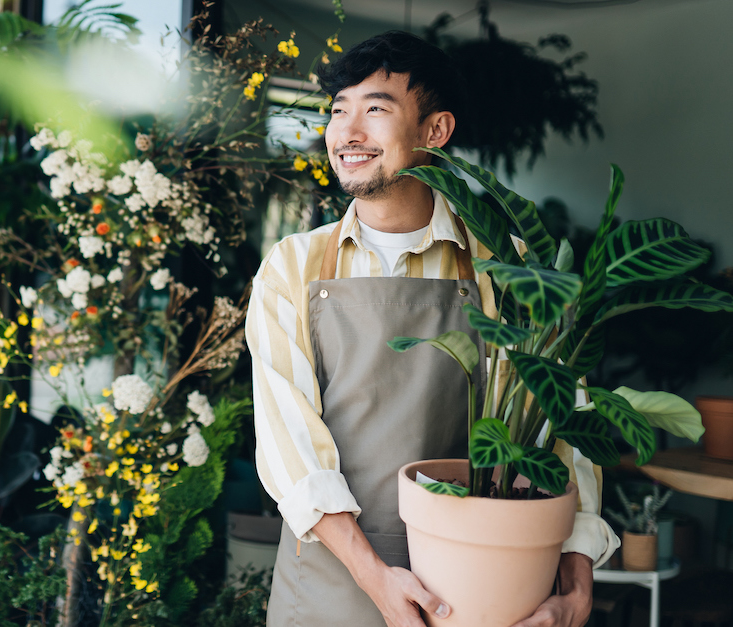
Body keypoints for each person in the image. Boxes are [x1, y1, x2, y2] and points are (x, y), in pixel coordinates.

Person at [246, 31, 618, 627]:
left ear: (436, 131)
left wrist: (577, 582)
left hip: (479, 588)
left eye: (375, 109)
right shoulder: (292, 268)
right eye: (339, 111)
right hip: (331, 584)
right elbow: (287, 444)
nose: (348, 132)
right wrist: (377, 580)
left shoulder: (511, 269)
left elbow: (562, 428)